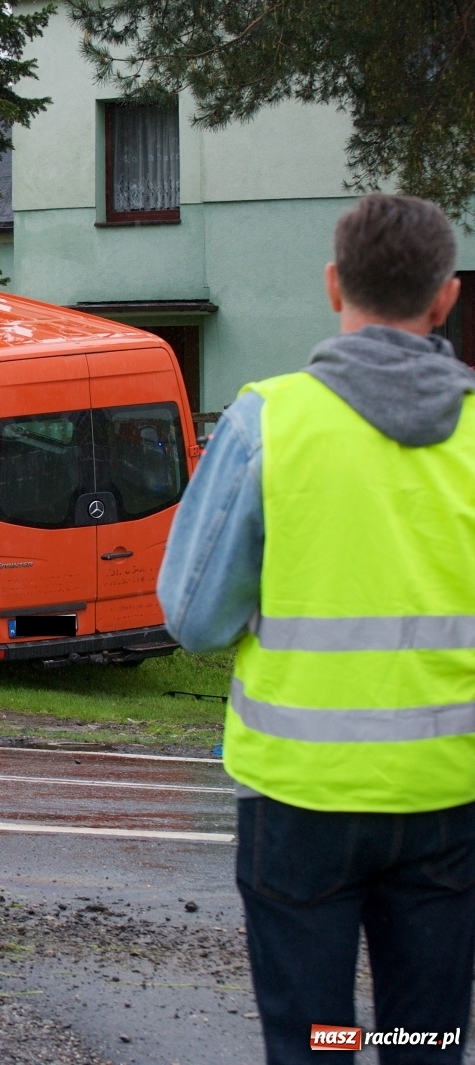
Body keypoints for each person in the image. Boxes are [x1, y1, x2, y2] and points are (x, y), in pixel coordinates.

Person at [157, 193, 475, 1065]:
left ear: (335, 285)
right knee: (426, 1034)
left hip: (300, 800)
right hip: (449, 798)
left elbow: (194, 616)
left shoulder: (270, 421)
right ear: (443, 298)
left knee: (314, 1038)